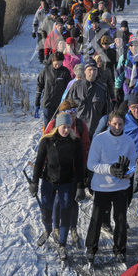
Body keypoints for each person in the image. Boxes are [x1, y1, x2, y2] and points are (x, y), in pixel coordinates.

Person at [28, 113, 85, 261]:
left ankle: (62, 244)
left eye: (68, 127)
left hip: (67, 182)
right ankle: (47, 231)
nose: (66, 130)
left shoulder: (75, 142)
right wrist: (35, 182)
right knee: (46, 210)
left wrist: (80, 186)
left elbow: (80, 166)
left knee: (65, 213)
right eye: (63, 127)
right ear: (57, 126)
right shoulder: (47, 141)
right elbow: (39, 163)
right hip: (48, 181)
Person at [85, 111, 137, 263]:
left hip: (121, 186)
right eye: (114, 123)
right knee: (97, 218)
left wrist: (128, 173)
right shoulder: (99, 140)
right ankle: (91, 247)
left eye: (120, 124)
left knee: (120, 219)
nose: (117, 127)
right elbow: (91, 164)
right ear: (108, 123)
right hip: (102, 186)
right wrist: (110, 169)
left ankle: (120, 249)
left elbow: (134, 163)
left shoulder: (128, 141)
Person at [44, 101, 91, 246]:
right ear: (61, 113)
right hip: (56, 172)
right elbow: (45, 147)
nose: (72, 114)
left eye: (74, 111)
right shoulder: (53, 125)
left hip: (75, 171)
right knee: (58, 200)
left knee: (74, 201)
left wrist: (84, 170)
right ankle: (57, 227)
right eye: (68, 112)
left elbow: (86, 147)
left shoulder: (80, 126)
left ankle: (73, 227)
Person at [65, 58, 111, 138]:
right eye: (89, 69)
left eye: (94, 70)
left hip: (96, 131)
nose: (92, 72)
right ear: (85, 71)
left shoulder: (103, 88)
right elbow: (66, 107)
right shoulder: (76, 86)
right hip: (78, 130)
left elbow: (107, 112)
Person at [34, 51, 71, 126]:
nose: (57, 66)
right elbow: (39, 86)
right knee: (49, 125)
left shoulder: (65, 72)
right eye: (55, 64)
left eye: (59, 64)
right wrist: (37, 103)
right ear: (52, 61)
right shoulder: (46, 71)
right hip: (48, 103)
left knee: (59, 126)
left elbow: (69, 88)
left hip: (60, 105)